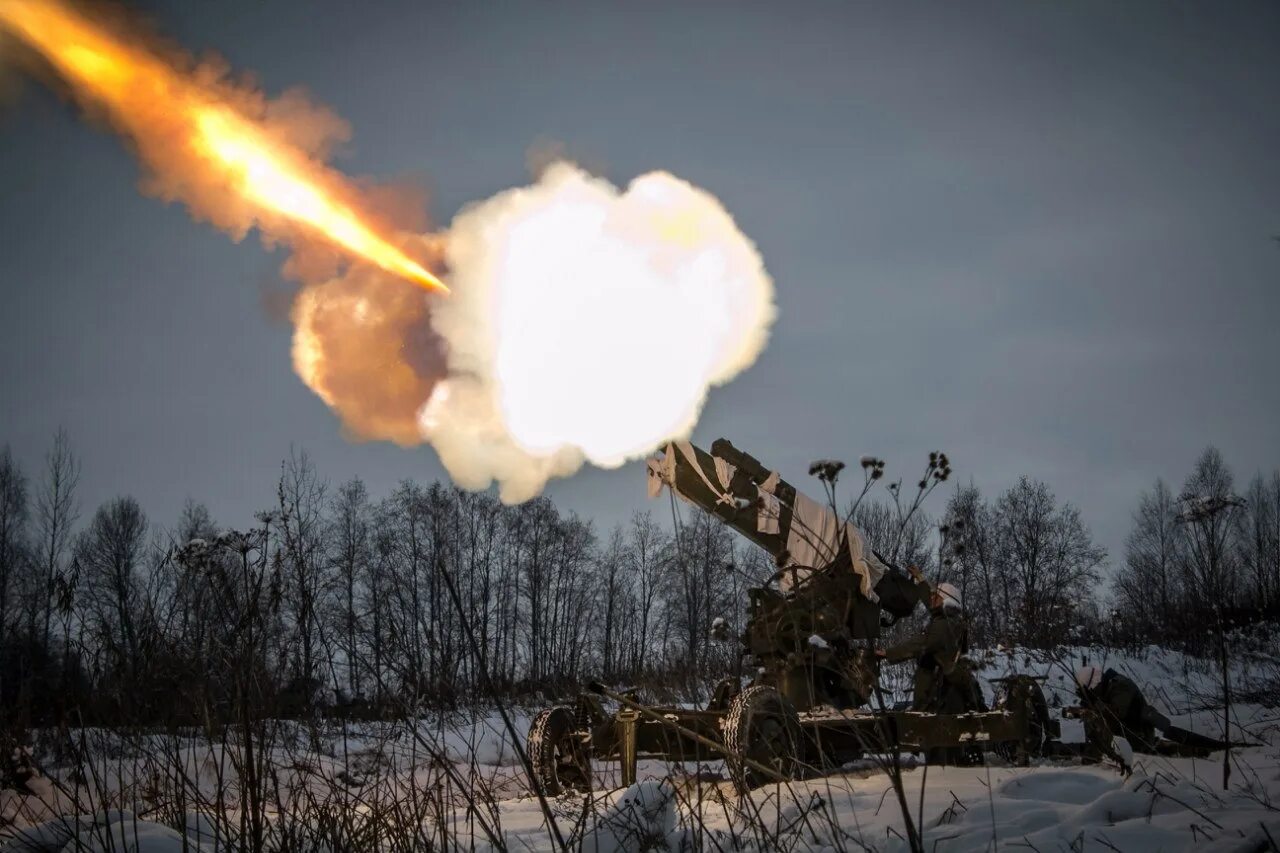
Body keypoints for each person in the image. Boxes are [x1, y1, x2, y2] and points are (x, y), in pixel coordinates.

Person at [878, 583, 982, 714]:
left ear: (947, 601)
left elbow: (920, 643)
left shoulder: (944, 625)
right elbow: (931, 602)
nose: (931, 599)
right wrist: (921, 580)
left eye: (936, 597)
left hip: (940, 701)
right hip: (940, 697)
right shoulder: (949, 620)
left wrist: (888, 653)